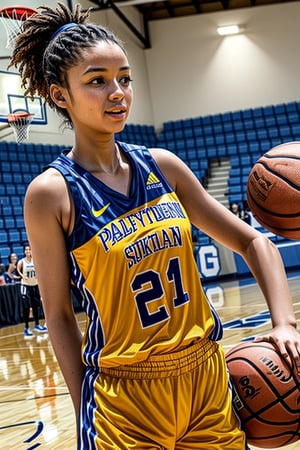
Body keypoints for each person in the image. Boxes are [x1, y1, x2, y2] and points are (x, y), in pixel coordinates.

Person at [10, 3, 300, 448]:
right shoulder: (50, 193)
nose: (117, 92)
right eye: (97, 80)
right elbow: (60, 316)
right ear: (59, 95)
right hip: (124, 398)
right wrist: (81, 400)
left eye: (124, 77)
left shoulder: (163, 166)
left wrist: (284, 324)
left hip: (205, 382)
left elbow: (252, 242)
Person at [17, 244, 47, 337]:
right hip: (25, 285)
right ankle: (26, 327)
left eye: (29, 249)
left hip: (35, 285)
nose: (27, 251)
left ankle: (37, 325)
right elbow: (18, 270)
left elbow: (41, 269)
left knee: (35, 306)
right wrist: (22, 276)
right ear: (24, 252)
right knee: (26, 306)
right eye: (26, 250)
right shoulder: (21, 261)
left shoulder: (36, 260)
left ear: (31, 251)